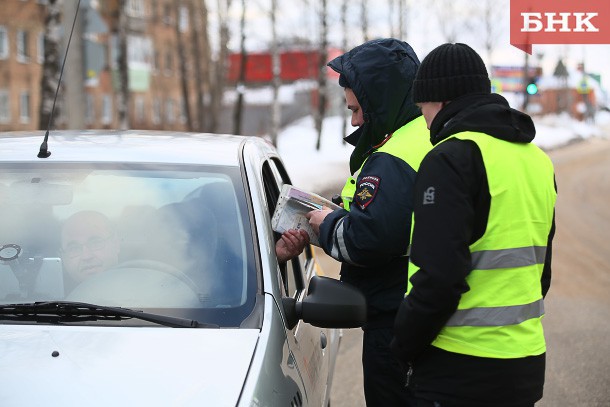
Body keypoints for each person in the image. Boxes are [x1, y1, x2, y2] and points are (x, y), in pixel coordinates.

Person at [390, 43, 557, 407]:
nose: (424, 121)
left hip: (460, 368)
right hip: (525, 363)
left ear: (442, 101)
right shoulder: (537, 160)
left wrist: (402, 344)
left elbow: (439, 279)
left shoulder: (450, 158)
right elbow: (541, 274)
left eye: (423, 109)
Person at [306, 38, 431, 406]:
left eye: (357, 109)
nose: (355, 120)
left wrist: (324, 225)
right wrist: (325, 218)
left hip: (396, 320)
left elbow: (368, 239)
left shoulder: (393, 156)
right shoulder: (421, 136)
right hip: (416, 313)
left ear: (381, 100)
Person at [60, 211, 120, 290]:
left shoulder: (140, 289)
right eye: (74, 248)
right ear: (62, 257)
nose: (86, 256)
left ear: (116, 244)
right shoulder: (48, 300)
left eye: (95, 243)